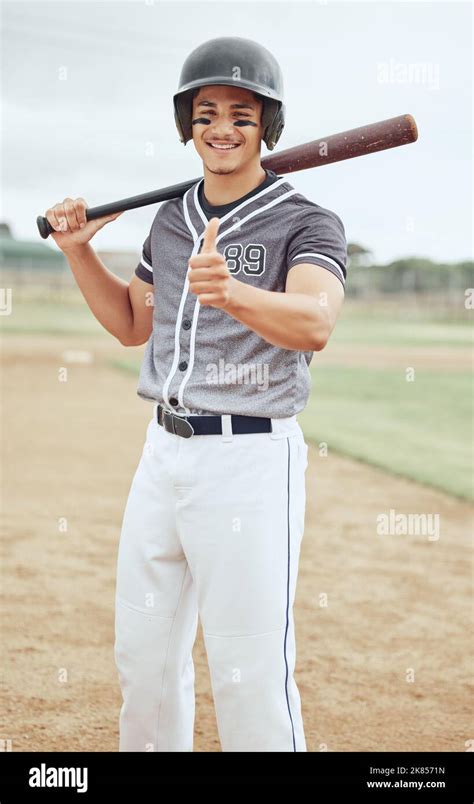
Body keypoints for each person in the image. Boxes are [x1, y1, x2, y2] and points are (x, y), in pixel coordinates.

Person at [44, 36, 347, 752]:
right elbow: (128, 324)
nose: (221, 127)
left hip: (249, 462)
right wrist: (80, 251)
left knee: (248, 674)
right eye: (206, 111)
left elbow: (316, 323)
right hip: (162, 454)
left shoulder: (307, 220)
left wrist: (235, 294)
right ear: (187, 123)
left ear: (266, 126)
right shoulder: (172, 219)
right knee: (143, 663)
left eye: (241, 114)